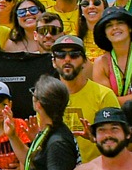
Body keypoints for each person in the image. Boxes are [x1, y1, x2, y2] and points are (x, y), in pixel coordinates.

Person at [48, 33, 116, 161]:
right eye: (61, 55)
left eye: (74, 55)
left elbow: (118, 143)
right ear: (54, 61)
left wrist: (95, 139)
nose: (67, 59)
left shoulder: (104, 95)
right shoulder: (47, 97)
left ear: (85, 61)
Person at [91, 7, 132, 99]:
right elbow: (105, 100)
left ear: (130, 28)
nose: (115, 28)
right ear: (105, 33)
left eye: (120, 23)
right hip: (113, 113)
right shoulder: (101, 63)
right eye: (109, 25)